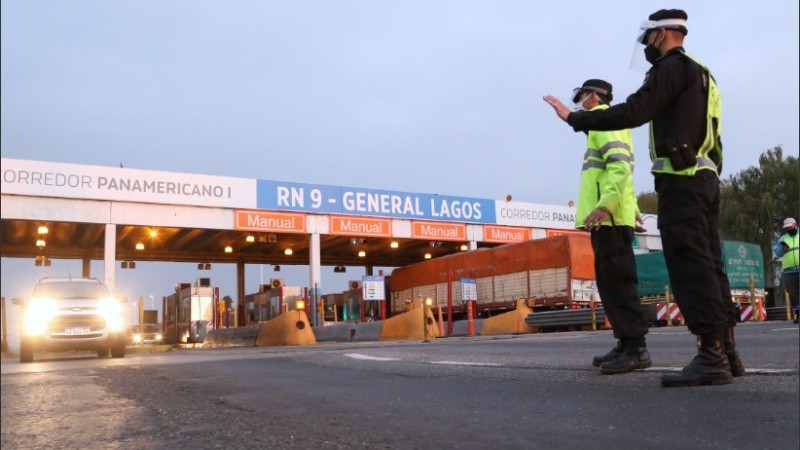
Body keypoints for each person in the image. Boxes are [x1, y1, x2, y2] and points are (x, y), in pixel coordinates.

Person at [543, 8, 744, 387]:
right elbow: (715, 134)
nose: (646, 47)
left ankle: (711, 356)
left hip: (681, 180)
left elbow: (636, 111)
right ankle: (727, 351)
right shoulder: (703, 73)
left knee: (690, 265)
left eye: (648, 38)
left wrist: (575, 119)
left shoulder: (672, 68)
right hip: (704, 178)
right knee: (710, 263)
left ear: (662, 34)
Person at [567, 79, 651, 375]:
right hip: (610, 217)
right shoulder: (602, 126)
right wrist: (632, 208)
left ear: (593, 97)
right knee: (611, 283)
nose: (579, 103)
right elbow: (621, 172)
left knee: (618, 282)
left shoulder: (606, 123)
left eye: (581, 98)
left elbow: (620, 168)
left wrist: (607, 206)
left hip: (609, 218)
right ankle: (625, 341)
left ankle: (635, 348)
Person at [774, 217, 799, 323]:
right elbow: (777, 252)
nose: (789, 229)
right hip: (789, 270)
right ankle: (798, 314)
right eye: (787, 228)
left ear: (796, 224)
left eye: (790, 227)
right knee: (794, 294)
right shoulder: (783, 239)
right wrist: (782, 249)